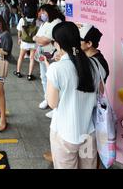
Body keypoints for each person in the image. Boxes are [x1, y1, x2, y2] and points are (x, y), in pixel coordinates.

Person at [44, 21, 100, 169]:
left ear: (58, 44)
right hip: (88, 133)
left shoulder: (56, 69)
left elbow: (52, 103)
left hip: (64, 134)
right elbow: (98, 95)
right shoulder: (94, 65)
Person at [33, 5, 63, 116]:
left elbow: (44, 40)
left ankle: (56, 105)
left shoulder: (56, 22)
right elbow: (38, 37)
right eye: (41, 12)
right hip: (43, 54)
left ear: (49, 11)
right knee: (44, 77)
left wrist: (36, 39)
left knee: (53, 80)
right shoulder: (45, 23)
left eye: (43, 12)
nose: (41, 14)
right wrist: (37, 39)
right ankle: (47, 98)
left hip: (52, 56)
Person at [14, 4, 38, 81]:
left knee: (21, 56)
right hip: (34, 42)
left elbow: (19, 31)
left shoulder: (22, 20)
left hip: (24, 42)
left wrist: (19, 39)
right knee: (31, 58)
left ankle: (18, 72)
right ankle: (29, 75)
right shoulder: (37, 21)